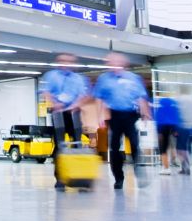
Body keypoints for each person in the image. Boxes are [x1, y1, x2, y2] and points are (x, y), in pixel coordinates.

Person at [92, 53, 151, 189]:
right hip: (114, 115)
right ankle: (118, 178)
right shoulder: (104, 79)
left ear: (124, 64)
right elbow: (99, 98)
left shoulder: (133, 78)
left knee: (135, 144)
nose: (113, 65)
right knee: (114, 147)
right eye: (111, 62)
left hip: (130, 114)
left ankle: (139, 172)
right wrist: (99, 116)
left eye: (116, 62)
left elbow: (141, 96)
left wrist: (145, 112)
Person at [39, 54, 91, 190]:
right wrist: (54, 103)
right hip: (58, 112)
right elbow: (46, 93)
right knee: (60, 145)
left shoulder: (79, 79)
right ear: (59, 62)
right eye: (64, 61)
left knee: (78, 144)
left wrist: (75, 105)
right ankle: (60, 179)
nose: (67, 64)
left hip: (73, 112)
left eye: (70, 62)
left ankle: (81, 178)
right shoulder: (51, 76)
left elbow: (83, 95)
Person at [154, 94, 184, 173]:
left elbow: (158, 119)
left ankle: (166, 168)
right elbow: (177, 118)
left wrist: (159, 132)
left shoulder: (161, 108)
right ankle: (183, 165)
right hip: (173, 128)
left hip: (163, 128)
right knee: (176, 147)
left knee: (163, 148)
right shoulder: (173, 107)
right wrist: (176, 129)